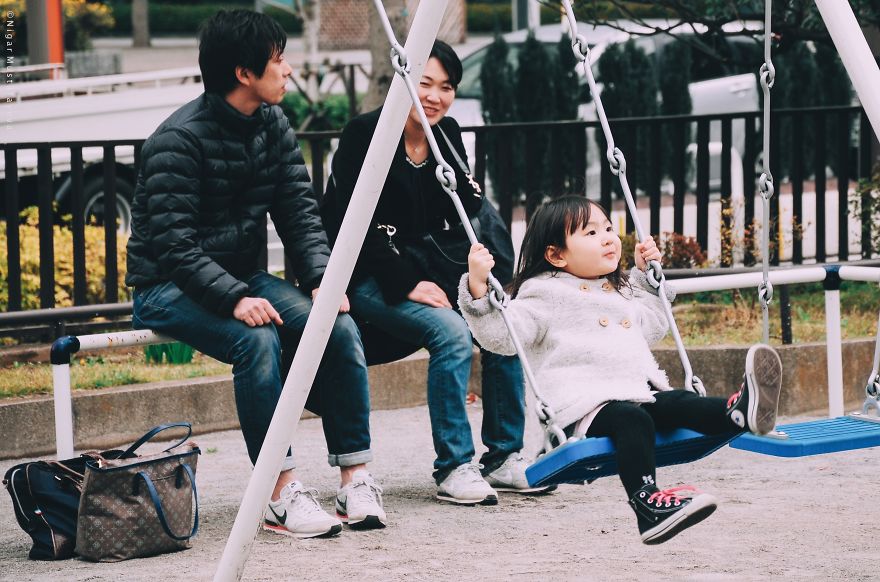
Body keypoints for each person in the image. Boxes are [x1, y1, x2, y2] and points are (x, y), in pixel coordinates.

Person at [125, 9, 386, 538]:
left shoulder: (273, 125)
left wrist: (320, 279)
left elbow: (299, 212)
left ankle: (355, 478)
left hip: (238, 277)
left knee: (334, 326)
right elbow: (174, 246)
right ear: (244, 73)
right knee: (258, 341)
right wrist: (234, 300)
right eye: (278, 59)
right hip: (165, 285)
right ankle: (278, 491)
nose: (288, 69)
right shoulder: (177, 140)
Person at [459, 195, 783, 544]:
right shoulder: (542, 294)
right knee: (633, 419)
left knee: (678, 402)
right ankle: (648, 504)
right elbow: (504, 338)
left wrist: (645, 278)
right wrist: (479, 289)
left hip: (635, 391)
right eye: (591, 232)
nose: (608, 237)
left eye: (609, 228)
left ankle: (739, 412)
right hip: (582, 408)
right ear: (556, 255)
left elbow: (653, 325)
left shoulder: (618, 291)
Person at [321, 41, 550, 505]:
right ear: (398, 80)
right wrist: (408, 283)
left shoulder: (444, 134)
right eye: (424, 83)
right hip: (368, 274)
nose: (434, 96)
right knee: (451, 332)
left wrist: (459, 182)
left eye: (446, 87)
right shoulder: (365, 134)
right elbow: (351, 226)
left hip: (428, 265)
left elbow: (463, 207)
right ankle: (454, 465)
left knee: (497, 319)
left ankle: (504, 456)